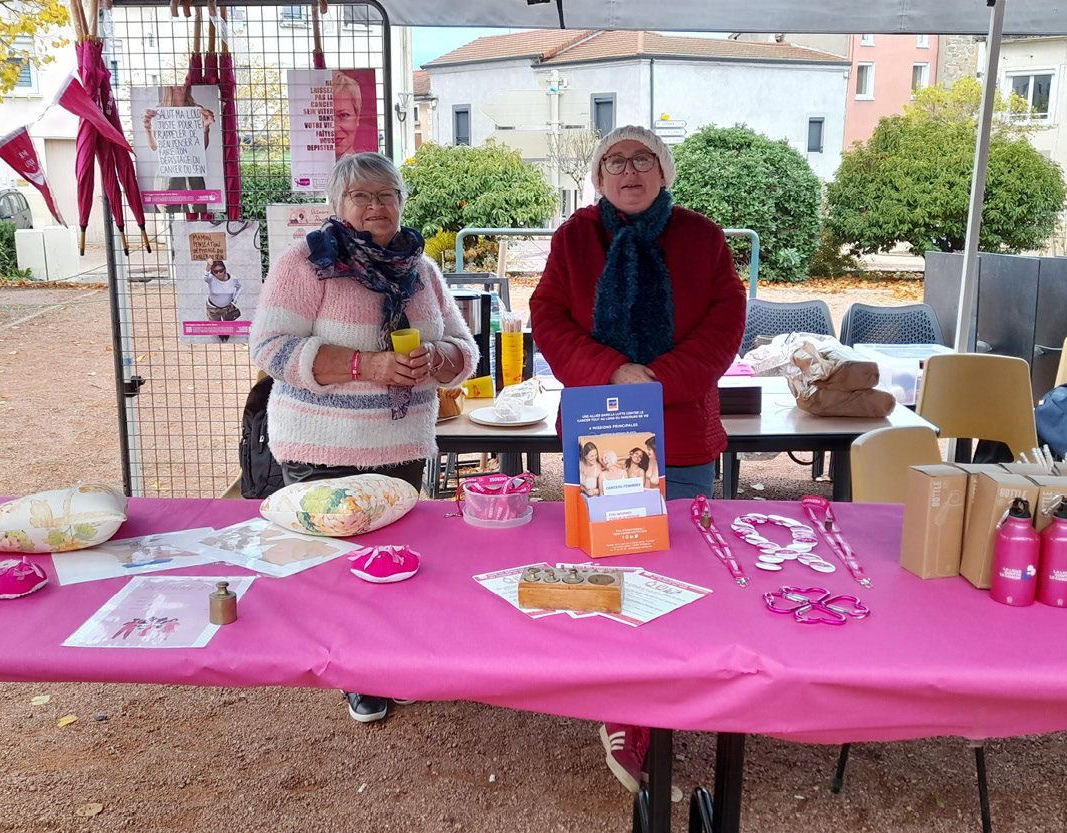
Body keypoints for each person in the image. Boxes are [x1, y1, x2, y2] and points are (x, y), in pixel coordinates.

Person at [529, 124, 745, 793]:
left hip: (678, 432)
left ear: (664, 172)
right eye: (615, 161)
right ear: (597, 177)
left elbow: (724, 321)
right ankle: (624, 713)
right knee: (614, 572)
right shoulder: (572, 239)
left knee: (680, 575)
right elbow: (549, 317)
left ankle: (673, 693)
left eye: (643, 159)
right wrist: (615, 372)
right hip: (600, 425)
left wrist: (658, 381)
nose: (629, 170)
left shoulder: (701, 237)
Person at [249, 152, 477, 724]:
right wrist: (366, 367)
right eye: (361, 197)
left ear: (402, 203)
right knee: (335, 564)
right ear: (337, 205)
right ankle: (353, 672)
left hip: (399, 443)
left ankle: (386, 661)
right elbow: (269, 348)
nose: (376, 207)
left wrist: (440, 357)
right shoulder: (307, 263)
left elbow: (464, 347)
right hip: (320, 442)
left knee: (392, 560)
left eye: (387, 195)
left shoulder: (421, 269)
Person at [141, 84, 216, 214]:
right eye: (172, 83)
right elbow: (154, 146)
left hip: (192, 174)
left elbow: (202, 147)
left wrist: (205, 129)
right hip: (167, 176)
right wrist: (147, 127)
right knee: (167, 218)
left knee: (196, 216)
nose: (177, 85)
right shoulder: (158, 112)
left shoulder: (197, 110)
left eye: (181, 82)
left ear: (188, 86)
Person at [204, 259, 241, 342]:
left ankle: (226, 336)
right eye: (216, 271)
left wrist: (234, 301)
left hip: (227, 307)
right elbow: (205, 278)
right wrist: (208, 266)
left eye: (221, 271)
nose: (219, 273)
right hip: (213, 307)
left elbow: (239, 288)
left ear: (225, 269)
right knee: (216, 324)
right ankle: (221, 336)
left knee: (228, 323)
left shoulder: (233, 279)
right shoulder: (211, 278)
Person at [331, 71, 364, 160]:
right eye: (325, 117)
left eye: (343, 115)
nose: (334, 128)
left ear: (357, 117)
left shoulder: (368, 171)